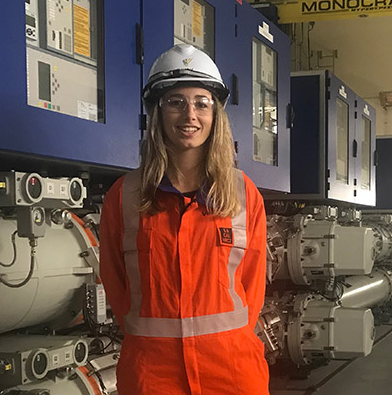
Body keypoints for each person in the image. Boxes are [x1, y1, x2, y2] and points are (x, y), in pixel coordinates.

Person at [99, 44, 269, 395]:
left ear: (215, 113)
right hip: (153, 376)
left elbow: (253, 287)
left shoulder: (243, 194)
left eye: (201, 103)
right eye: (175, 101)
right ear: (157, 112)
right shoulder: (124, 195)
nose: (189, 114)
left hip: (232, 373)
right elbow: (116, 284)